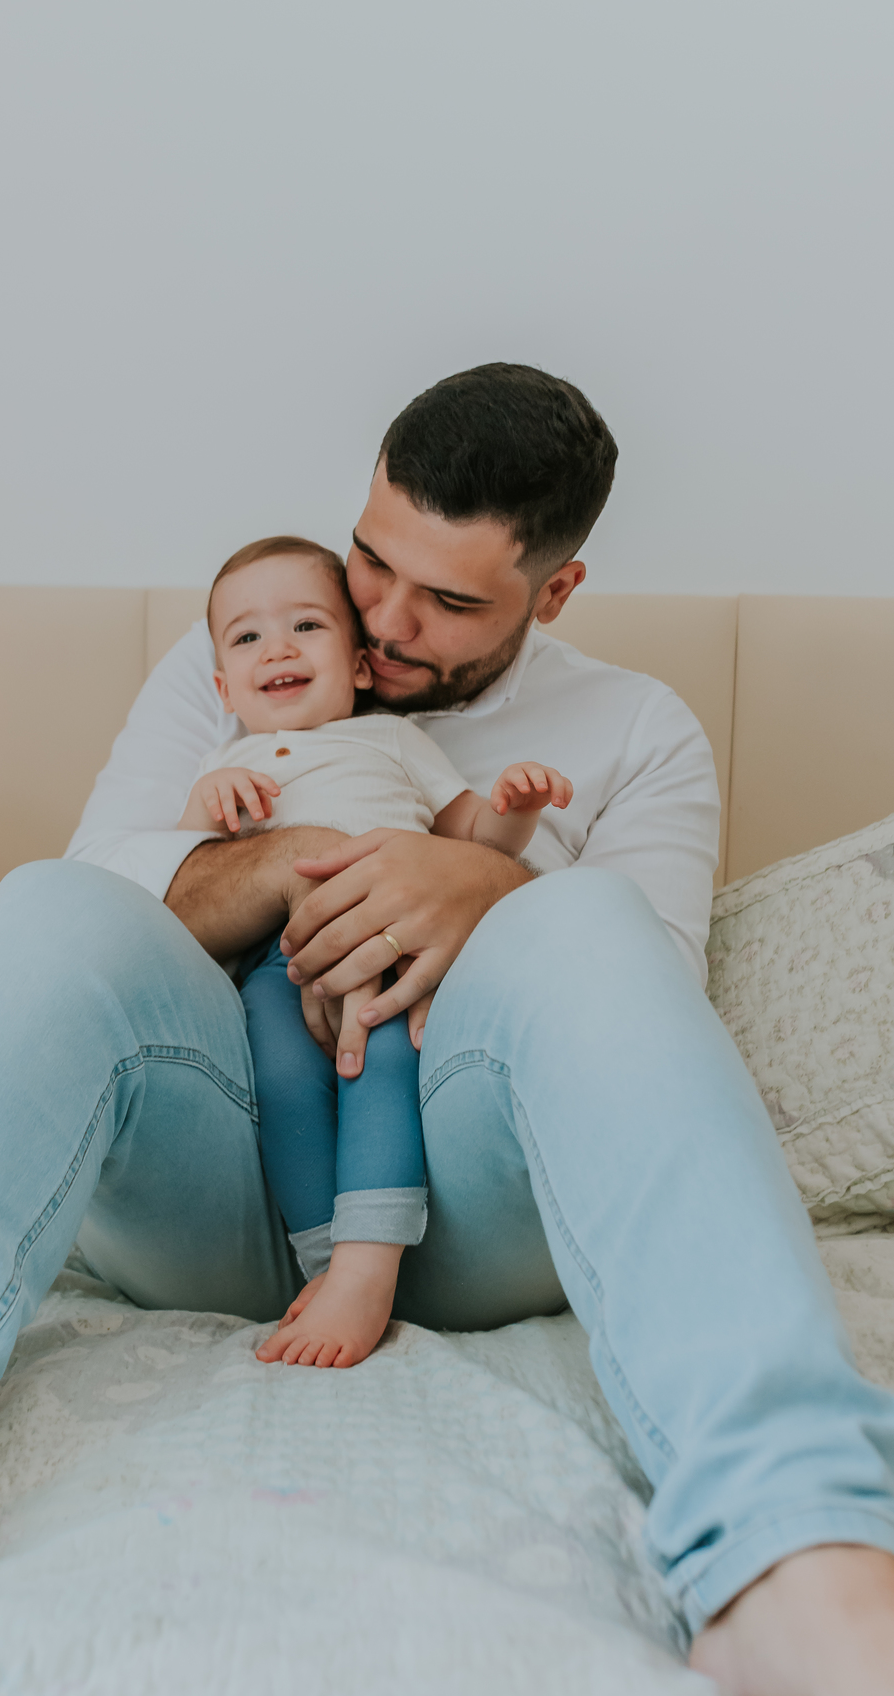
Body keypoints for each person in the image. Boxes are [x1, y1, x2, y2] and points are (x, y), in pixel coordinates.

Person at [0, 364, 894, 1696]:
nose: (382, 622)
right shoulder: (240, 650)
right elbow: (110, 901)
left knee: (596, 921)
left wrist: (485, 882)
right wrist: (301, 858)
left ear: (555, 591)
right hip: (210, 1173)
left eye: (449, 600)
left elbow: (652, 1005)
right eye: (372, 559)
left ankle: (796, 1537)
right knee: (51, 904)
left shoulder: (638, 728)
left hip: (470, 1205)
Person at [182, 532, 570, 1367]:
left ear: (360, 666)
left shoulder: (390, 740)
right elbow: (181, 884)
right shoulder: (226, 761)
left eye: (307, 626)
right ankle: (324, 1262)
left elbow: (471, 835)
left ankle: (370, 1267)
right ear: (223, 686)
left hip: (398, 955)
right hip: (277, 967)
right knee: (282, 1082)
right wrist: (205, 804)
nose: (277, 647)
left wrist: (514, 809)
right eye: (247, 637)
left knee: (381, 1070)